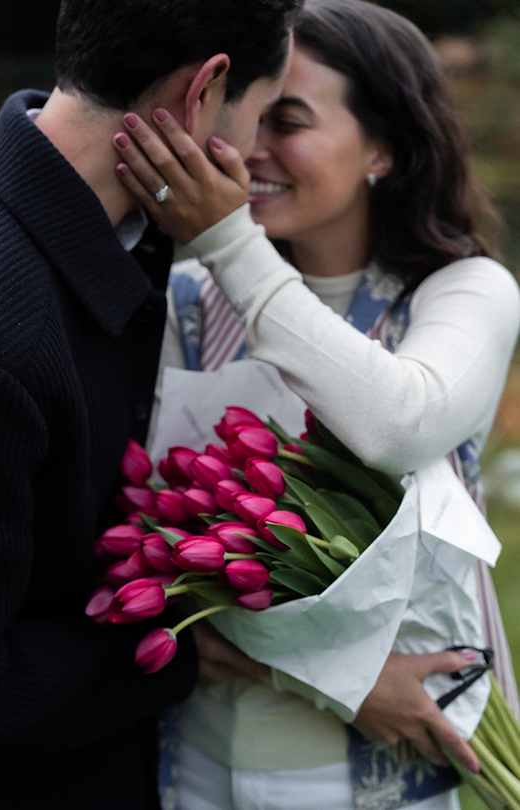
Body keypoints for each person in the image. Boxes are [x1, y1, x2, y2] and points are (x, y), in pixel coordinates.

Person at [113, 1, 520, 809]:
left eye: (288, 121)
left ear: (383, 148)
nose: (250, 147)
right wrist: (345, 681)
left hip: (376, 777)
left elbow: (398, 426)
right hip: (196, 762)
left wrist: (228, 240)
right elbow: (153, 547)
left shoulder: (461, 294)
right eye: (249, 114)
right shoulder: (188, 305)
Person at [0, 0, 301, 807]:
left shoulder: (124, 238)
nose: (259, 150)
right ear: (205, 91)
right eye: (263, 112)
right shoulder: (1, 340)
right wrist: (177, 651)